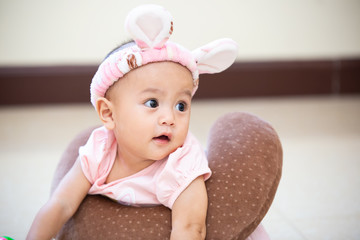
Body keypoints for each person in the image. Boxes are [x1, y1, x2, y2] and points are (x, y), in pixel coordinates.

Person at [27, 4, 238, 240]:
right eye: (152, 103)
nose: (169, 119)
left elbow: (190, 227)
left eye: (181, 106)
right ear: (108, 114)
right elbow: (61, 204)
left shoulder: (183, 162)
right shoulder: (100, 149)